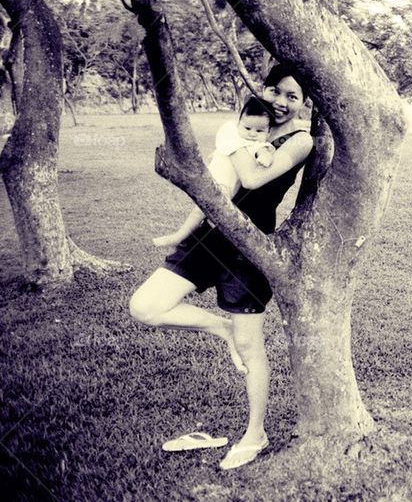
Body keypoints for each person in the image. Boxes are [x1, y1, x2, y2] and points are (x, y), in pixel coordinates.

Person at [130, 65, 314, 470]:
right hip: (208, 237)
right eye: (275, 91)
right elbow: (217, 184)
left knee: (251, 348)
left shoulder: (300, 140)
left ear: (305, 104)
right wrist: (183, 230)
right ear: (263, 90)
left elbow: (249, 179)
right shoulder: (250, 122)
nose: (281, 102)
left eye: (293, 96)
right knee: (145, 306)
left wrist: (229, 139)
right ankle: (220, 327)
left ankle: (255, 433)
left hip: (248, 248)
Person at [152, 97, 277, 250]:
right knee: (201, 210)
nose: (252, 134)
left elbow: (266, 152)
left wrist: (265, 157)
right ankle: (191, 235)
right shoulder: (235, 138)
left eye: (259, 131)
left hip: (224, 186)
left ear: (269, 132)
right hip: (208, 178)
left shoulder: (258, 145)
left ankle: (179, 237)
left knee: (200, 212)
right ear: (239, 124)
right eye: (247, 128)